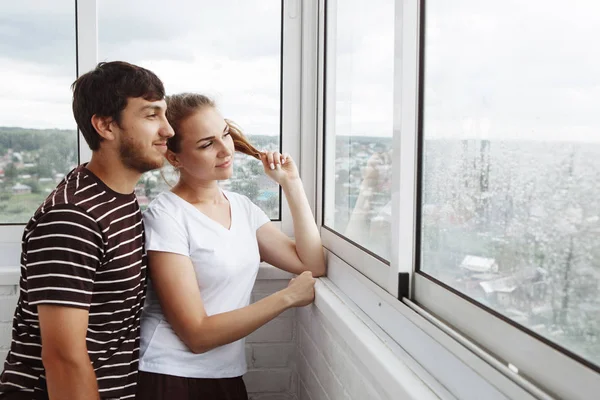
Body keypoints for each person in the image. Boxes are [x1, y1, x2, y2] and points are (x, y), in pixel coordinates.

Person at [0, 61, 175, 399]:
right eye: (152, 116)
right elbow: (63, 358)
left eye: (164, 115)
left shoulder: (116, 198)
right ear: (106, 126)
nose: (167, 130)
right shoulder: (71, 218)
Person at [135, 93, 326, 399]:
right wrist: (287, 297)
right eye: (207, 144)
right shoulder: (166, 217)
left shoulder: (242, 207)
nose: (226, 150)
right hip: (171, 376)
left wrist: (291, 183)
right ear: (175, 158)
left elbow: (312, 263)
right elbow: (196, 335)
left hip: (225, 373)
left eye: (225, 134)